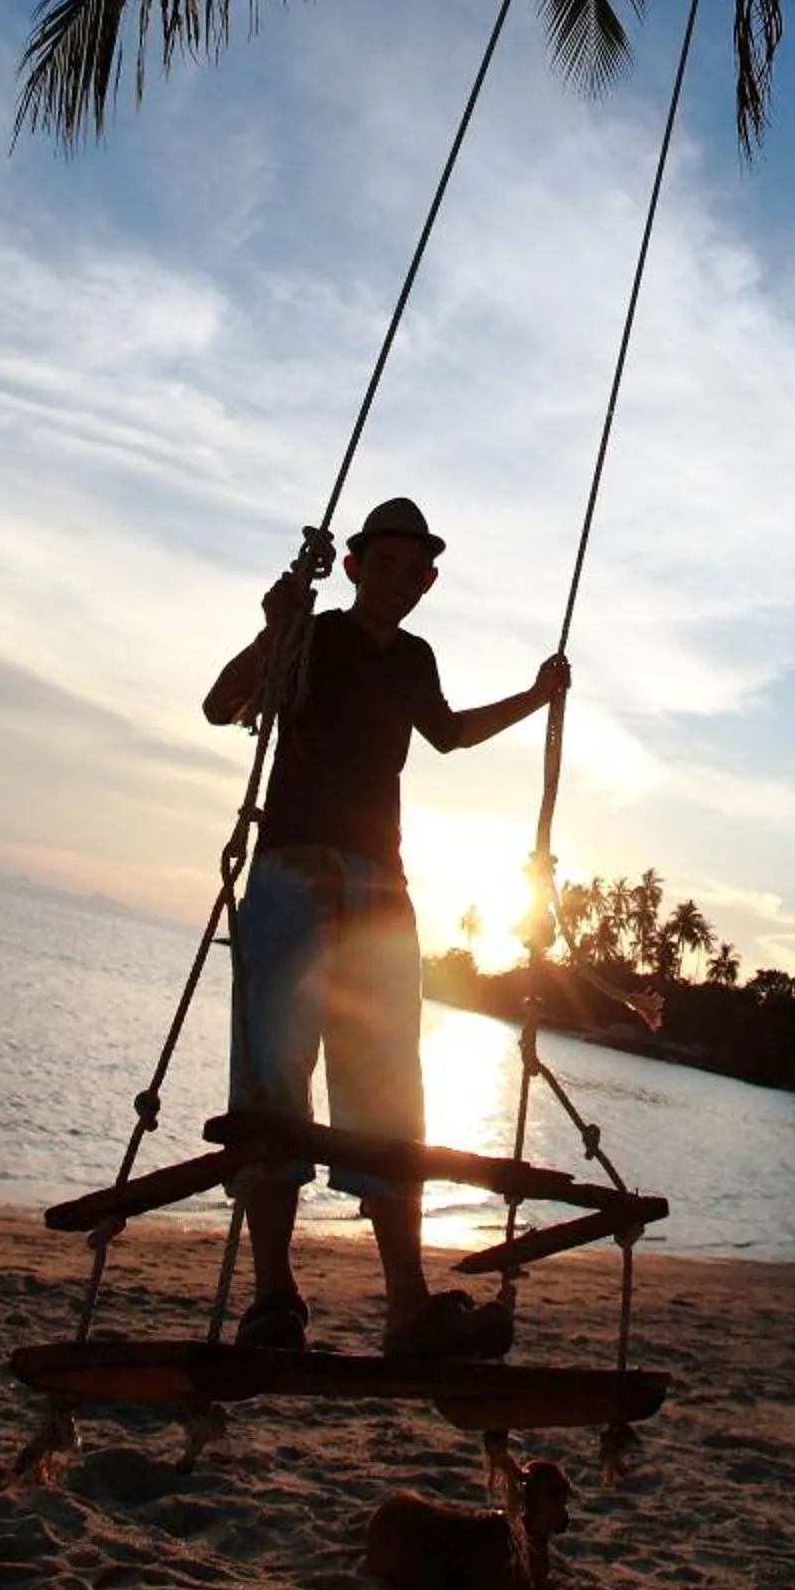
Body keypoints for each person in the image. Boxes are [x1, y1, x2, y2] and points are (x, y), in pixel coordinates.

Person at [203, 496, 568, 1361]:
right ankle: (273, 1299)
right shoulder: (312, 637)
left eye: (418, 572)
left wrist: (535, 695)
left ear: (429, 582)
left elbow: (450, 735)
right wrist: (275, 629)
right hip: (292, 867)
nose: (402, 583)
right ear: (358, 567)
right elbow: (225, 707)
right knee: (272, 1074)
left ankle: (407, 1308)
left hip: (380, 884)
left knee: (386, 1083)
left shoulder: (415, 658)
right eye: (387, 566)